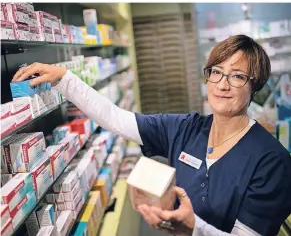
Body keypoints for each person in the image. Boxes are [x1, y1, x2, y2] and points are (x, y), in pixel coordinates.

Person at [12, 35, 291, 236]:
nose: (222, 84)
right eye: (216, 72)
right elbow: (116, 118)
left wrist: (193, 228)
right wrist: (64, 78)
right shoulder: (185, 128)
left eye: (238, 76)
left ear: (255, 86)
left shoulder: (273, 161)